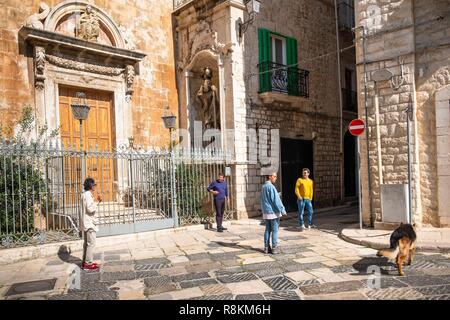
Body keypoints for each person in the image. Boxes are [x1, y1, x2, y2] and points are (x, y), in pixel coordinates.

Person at [260, 173, 286, 254]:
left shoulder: (264, 186)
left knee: (267, 230)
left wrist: (277, 194)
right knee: (275, 230)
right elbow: (275, 200)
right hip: (273, 212)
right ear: (270, 176)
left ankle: (266, 248)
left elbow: (266, 198)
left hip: (266, 212)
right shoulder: (271, 187)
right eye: (274, 176)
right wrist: (282, 209)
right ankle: (274, 248)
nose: (276, 178)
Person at [81, 178, 102, 270]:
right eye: (94, 185)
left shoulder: (84, 194)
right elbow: (90, 209)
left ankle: (85, 262)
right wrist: (97, 202)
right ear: (90, 185)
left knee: (87, 243)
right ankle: (88, 264)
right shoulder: (88, 195)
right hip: (89, 223)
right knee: (91, 243)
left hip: (86, 222)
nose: (94, 186)